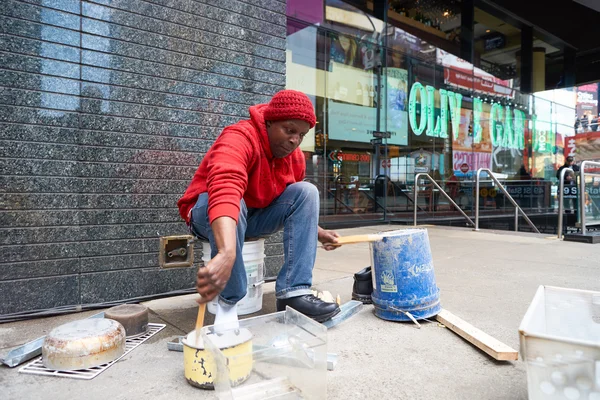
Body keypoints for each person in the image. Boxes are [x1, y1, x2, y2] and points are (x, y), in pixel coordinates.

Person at [177, 90, 341, 329]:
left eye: (302, 134)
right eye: (289, 130)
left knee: (307, 191)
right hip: (209, 213)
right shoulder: (240, 136)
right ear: (270, 121)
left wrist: (318, 232)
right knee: (236, 202)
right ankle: (228, 305)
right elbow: (226, 187)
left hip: (253, 216)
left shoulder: (294, 158)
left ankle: (293, 295)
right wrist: (226, 252)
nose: (295, 140)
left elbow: (293, 204)